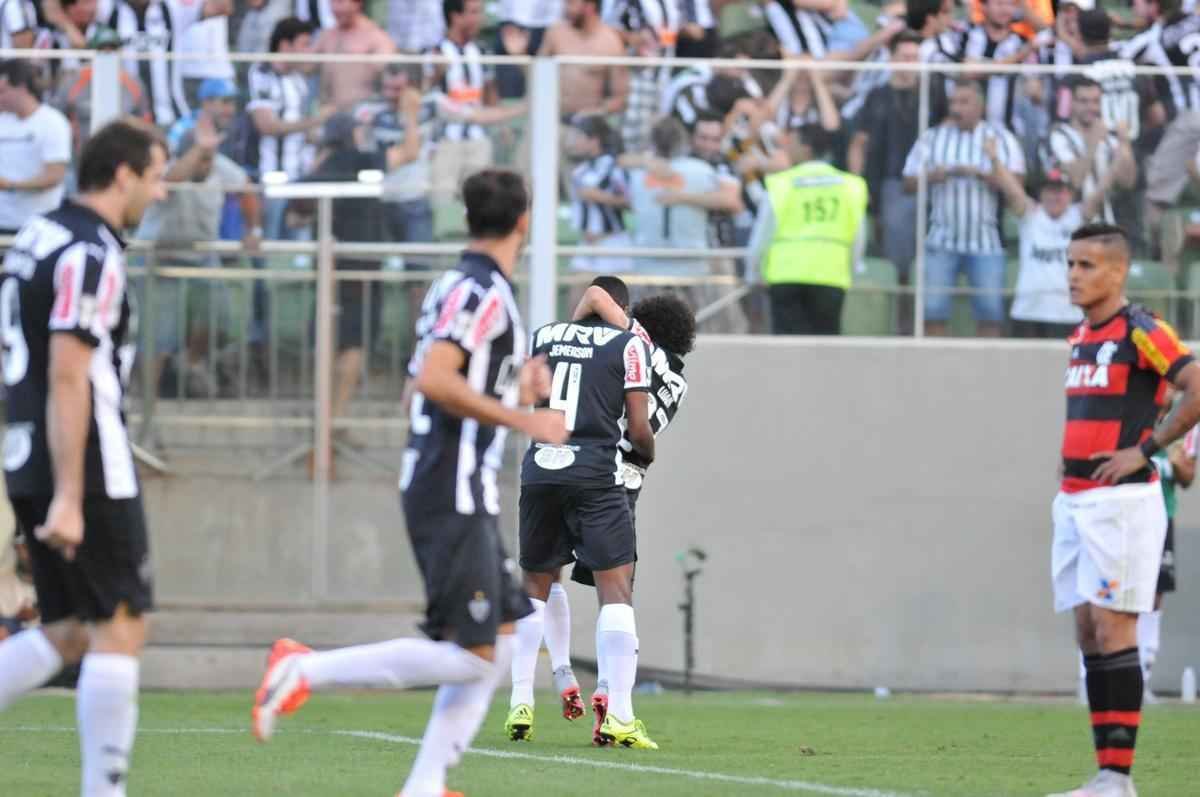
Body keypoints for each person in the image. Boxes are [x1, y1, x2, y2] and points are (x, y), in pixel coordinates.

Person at [252, 169, 568, 797]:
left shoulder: (455, 284)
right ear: (524, 222)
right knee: (472, 652)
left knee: (503, 645)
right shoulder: (482, 293)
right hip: (451, 487)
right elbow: (432, 379)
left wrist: (512, 386)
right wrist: (523, 414)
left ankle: (425, 786)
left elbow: (419, 385)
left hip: (454, 484)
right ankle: (305, 668)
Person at [0, 116, 168, 797]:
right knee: (120, 622)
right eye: (156, 179)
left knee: (68, 632)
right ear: (123, 174)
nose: (159, 194)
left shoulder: (36, 238)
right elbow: (70, 372)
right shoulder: (91, 250)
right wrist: (70, 493)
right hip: (86, 459)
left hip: (30, 452)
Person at [1048, 222, 1200, 797]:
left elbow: (1196, 385)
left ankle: (1118, 778)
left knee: (1116, 629)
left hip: (1121, 503)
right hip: (1076, 500)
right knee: (1088, 631)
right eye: (1069, 264)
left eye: (1086, 266)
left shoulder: (1142, 329)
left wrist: (1145, 449)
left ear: (1116, 271)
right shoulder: (1079, 337)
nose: (1073, 276)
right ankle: (1103, 775)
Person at [507, 275, 658, 749]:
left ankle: (520, 700)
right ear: (622, 307)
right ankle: (621, 715)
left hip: (540, 470)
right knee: (615, 588)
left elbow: (528, 399)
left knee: (535, 586)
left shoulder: (544, 335)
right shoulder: (630, 345)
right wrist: (646, 455)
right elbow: (638, 428)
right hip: (595, 473)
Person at [544, 284, 695, 747]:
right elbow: (645, 431)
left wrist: (570, 343)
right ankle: (613, 702)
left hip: (586, 468)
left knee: (547, 576)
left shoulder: (636, 344)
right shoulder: (679, 380)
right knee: (618, 595)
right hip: (624, 487)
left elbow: (594, 295)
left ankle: (548, 684)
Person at [901, 79, 1025, 337]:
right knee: (932, 313)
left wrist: (982, 174)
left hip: (985, 242)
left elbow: (1018, 185)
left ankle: (988, 373)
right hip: (940, 240)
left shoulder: (1000, 138)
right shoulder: (932, 138)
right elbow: (908, 182)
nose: (957, 108)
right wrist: (935, 175)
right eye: (953, 102)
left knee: (991, 316)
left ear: (981, 106)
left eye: (964, 102)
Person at [747, 124, 867, 335]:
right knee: (826, 352)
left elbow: (763, 234)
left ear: (807, 148)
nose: (786, 150)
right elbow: (858, 235)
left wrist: (753, 271)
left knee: (787, 353)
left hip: (785, 275)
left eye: (791, 144)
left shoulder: (781, 183)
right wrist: (853, 268)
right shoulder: (851, 186)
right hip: (831, 276)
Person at [847, 30, 924, 333]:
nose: (912, 63)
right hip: (891, 184)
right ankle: (903, 321)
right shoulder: (877, 95)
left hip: (932, 183)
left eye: (916, 57)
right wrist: (857, 185)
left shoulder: (932, 91)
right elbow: (859, 142)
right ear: (892, 60)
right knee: (898, 258)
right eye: (905, 57)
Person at [988, 144, 1108, 337]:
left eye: (1060, 191)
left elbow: (1100, 192)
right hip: (1027, 311)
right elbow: (1012, 190)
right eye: (1050, 190)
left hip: (1068, 314)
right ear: (1042, 193)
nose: (1055, 196)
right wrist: (994, 158)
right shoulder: (1031, 216)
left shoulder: (1078, 218)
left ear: (1070, 195)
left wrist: (1118, 159)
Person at [88, 0, 233, 127]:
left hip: (169, 116)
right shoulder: (107, 9)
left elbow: (223, 7)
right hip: (126, 119)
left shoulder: (172, 8)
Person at [1139, 390, 1195, 702]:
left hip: (1162, 515)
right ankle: (1093, 677)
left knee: (1154, 594)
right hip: (1127, 514)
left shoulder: (1185, 422)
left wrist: (1172, 467)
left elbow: (1188, 474)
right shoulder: (1131, 409)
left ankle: (1143, 678)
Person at [1040, 78, 1137, 225]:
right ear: (1071, 103)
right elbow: (1076, 180)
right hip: (1070, 229)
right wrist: (1092, 142)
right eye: (1083, 101)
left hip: (1106, 225)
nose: (1091, 107)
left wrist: (1125, 143)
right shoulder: (1059, 135)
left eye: (1095, 101)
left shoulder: (1108, 138)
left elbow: (1128, 181)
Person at [0, 59, 72, 237]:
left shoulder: (52, 122)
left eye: (2, 91)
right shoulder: (3, 120)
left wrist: (10, 185)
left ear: (22, 88)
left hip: (39, 226)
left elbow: (54, 175)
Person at [539, 0, 628, 120]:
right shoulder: (555, 33)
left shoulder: (611, 41)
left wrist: (594, 113)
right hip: (550, 117)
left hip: (589, 123)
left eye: (571, 3)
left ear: (589, 6)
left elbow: (620, 96)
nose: (566, 9)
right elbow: (536, 76)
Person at [566, 115, 632, 274]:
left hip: (612, 243)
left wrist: (600, 196)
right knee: (577, 296)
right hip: (587, 243)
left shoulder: (614, 166)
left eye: (579, 137)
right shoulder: (580, 170)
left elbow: (630, 202)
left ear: (594, 140)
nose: (575, 141)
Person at [311, 0, 396, 109]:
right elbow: (304, 66)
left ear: (357, 3)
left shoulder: (376, 36)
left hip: (363, 113)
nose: (334, 8)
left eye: (340, 2)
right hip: (328, 114)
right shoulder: (327, 35)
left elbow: (391, 74)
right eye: (331, 2)